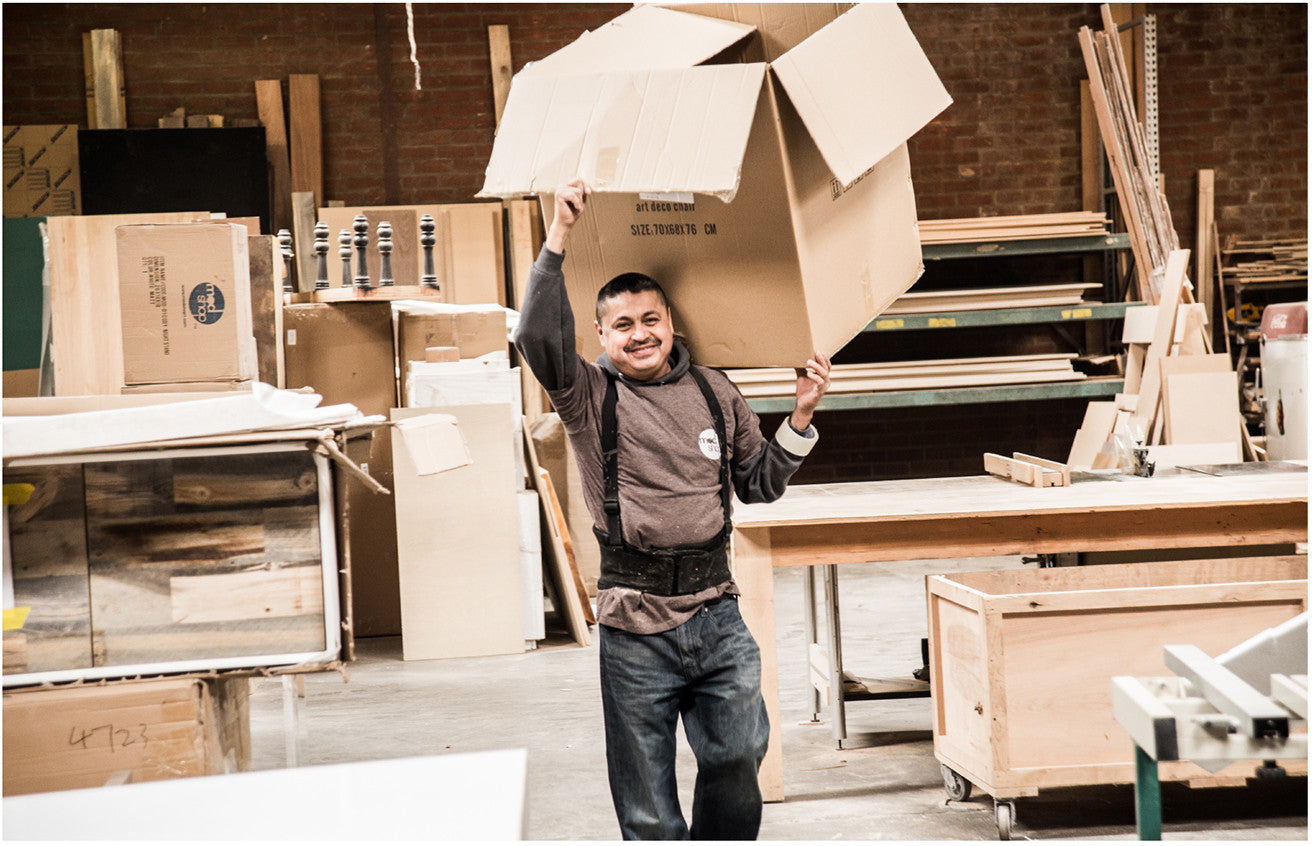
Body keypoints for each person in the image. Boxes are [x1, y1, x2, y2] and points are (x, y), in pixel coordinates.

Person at [513, 178, 831, 841]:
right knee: (649, 812)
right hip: (634, 624)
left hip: (717, 615)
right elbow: (537, 335)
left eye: (649, 319)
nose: (639, 335)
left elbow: (758, 485)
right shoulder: (589, 396)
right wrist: (560, 235)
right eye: (621, 325)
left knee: (738, 753)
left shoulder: (717, 392)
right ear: (600, 334)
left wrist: (800, 416)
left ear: (670, 323)